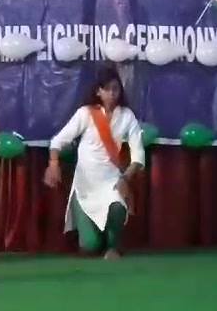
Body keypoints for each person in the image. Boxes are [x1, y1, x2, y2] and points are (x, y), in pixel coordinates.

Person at [44, 66, 145, 260]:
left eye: (115, 89)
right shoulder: (85, 113)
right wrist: (53, 164)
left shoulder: (127, 116)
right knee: (90, 246)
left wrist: (125, 178)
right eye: (107, 89)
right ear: (98, 91)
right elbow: (58, 141)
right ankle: (96, 238)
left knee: (117, 206)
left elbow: (138, 155)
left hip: (111, 181)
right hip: (85, 187)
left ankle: (113, 245)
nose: (112, 94)